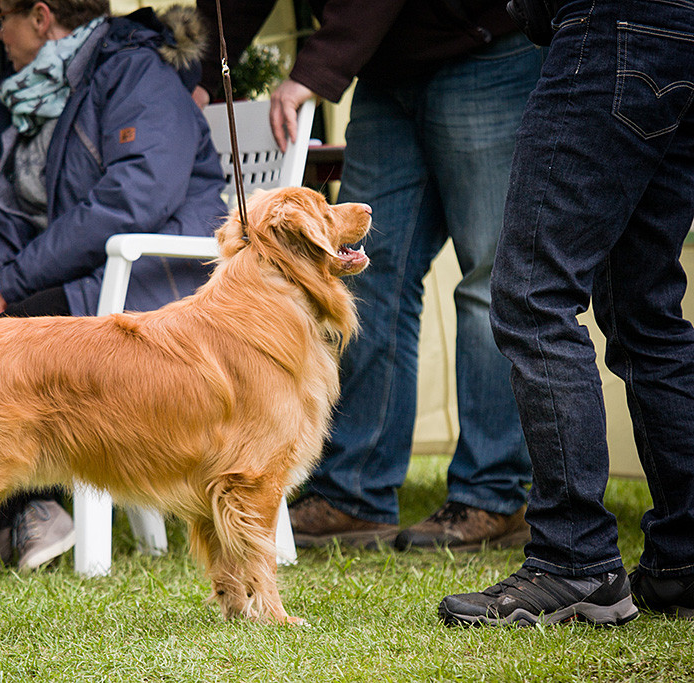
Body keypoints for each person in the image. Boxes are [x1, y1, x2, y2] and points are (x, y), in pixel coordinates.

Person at [197, 0, 540, 551]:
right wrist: (204, 73)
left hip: (485, 52)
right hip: (384, 68)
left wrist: (313, 71)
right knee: (361, 281)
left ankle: (491, 496)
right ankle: (354, 495)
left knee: (490, 279)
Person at [0, 0, 226, 576]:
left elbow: (136, 196)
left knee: (7, 340)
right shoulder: (29, 92)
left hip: (151, 282)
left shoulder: (138, 72)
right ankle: (8, 514)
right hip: (73, 274)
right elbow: (1, 206)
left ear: (39, 16)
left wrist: (17, 279)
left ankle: (12, 516)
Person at [439, 0, 694, 626]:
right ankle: (683, 562)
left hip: (610, 25)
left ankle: (573, 562)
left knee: (533, 294)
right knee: (646, 311)